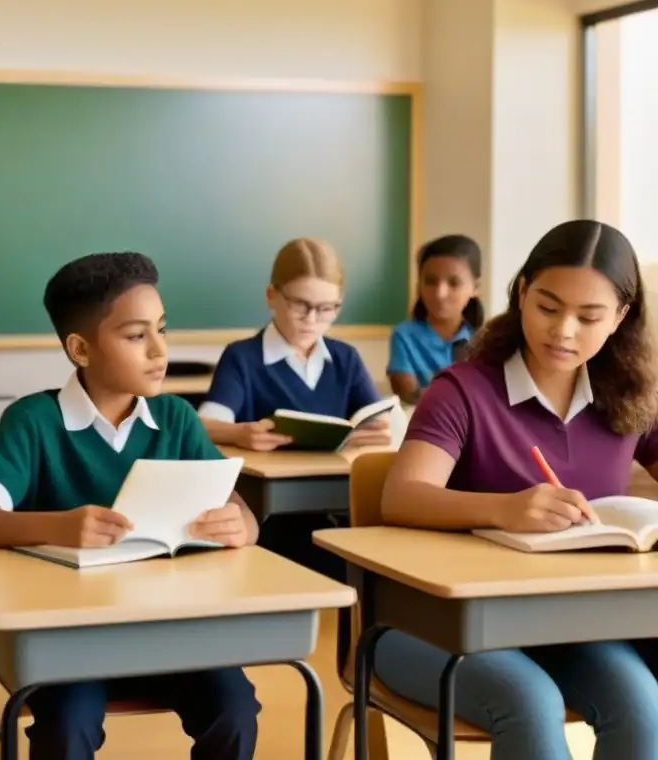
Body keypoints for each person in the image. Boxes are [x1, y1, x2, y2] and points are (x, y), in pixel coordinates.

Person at [0, 252, 261, 760]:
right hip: (70, 639)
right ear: (80, 349)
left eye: (162, 329)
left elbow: (238, 507)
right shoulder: (33, 421)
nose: (160, 350)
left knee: (236, 708)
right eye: (136, 336)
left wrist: (241, 524)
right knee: (69, 722)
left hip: (170, 628)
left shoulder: (176, 418)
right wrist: (59, 526)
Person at [376, 220, 658, 760]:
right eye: (549, 308)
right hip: (434, 623)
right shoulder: (461, 390)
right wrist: (506, 508)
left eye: (589, 317)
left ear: (620, 318)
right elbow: (402, 494)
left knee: (641, 703)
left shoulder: (628, 397)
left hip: (568, 623)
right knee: (528, 702)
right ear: (522, 292)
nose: (565, 331)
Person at [197, 237, 390, 452]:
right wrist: (238, 434)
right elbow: (203, 426)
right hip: (267, 483)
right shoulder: (242, 357)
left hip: (338, 480)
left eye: (326, 308)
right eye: (300, 304)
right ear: (271, 296)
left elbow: (378, 421)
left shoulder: (346, 358)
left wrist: (379, 432)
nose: (311, 319)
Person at [387, 235, 483, 404]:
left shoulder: (485, 340)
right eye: (430, 281)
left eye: (454, 283)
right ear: (419, 285)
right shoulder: (404, 336)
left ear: (475, 288)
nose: (440, 294)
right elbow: (409, 395)